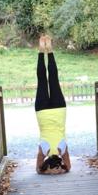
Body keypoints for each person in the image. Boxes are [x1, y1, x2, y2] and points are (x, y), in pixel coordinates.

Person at [35, 35, 71, 174]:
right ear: (46, 160)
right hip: (43, 112)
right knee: (43, 80)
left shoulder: (63, 150)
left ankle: (48, 50)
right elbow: (38, 170)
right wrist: (48, 171)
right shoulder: (43, 151)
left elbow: (68, 167)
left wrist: (57, 170)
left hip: (58, 111)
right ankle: (42, 51)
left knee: (53, 79)